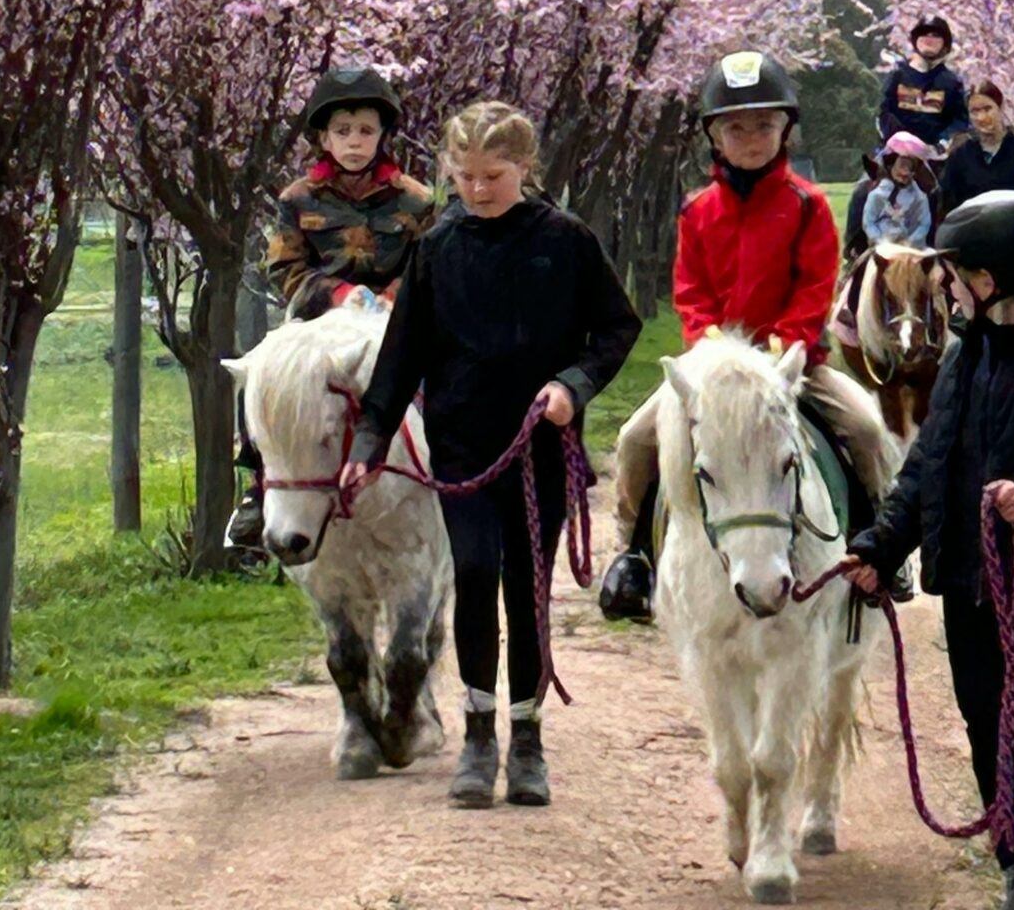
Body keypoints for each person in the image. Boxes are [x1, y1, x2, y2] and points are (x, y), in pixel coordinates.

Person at [338, 101, 640, 811]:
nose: (477, 190)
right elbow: (402, 352)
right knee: (473, 572)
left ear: (525, 170)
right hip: (464, 446)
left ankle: (527, 739)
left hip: (542, 446)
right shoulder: (439, 248)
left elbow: (616, 327)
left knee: (527, 587)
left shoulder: (566, 240)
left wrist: (574, 384)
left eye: (493, 176)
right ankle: (478, 735)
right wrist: (370, 440)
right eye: (464, 176)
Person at [839, 191, 1014, 910]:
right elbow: (927, 469)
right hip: (971, 578)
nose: (945, 287)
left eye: (955, 274)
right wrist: (880, 543)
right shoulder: (964, 361)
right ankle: (1013, 853)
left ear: (992, 280)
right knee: (981, 717)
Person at [598, 49, 898, 623]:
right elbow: (691, 293)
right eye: (736, 126)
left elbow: (814, 287)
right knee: (636, 439)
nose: (752, 137)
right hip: (715, 370)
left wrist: (780, 353)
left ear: (785, 128)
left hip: (793, 365)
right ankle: (633, 554)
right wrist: (715, 349)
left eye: (764, 124)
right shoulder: (696, 211)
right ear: (715, 136)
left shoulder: (807, 205)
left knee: (864, 426)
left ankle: (876, 545)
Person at [225, 65, 433, 551]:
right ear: (323, 137)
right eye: (343, 131)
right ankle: (257, 488)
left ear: (383, 136)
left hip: (392, 321)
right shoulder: (297, 199)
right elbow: (285, 267)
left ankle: (444, 484)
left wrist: (393, 296)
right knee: (257, 375)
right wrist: (338, 294)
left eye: (366, 130)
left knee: (438, 380)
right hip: (319, 323)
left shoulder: (415, 199)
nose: (355, 142)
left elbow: (430, 266)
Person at [938, 83, 1014, 218]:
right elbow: (948, 212)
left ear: (1001, 108)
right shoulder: (960, 158)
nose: (982, 117)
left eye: (987, 109)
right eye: (974, 111)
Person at [878, 15, 970, 148]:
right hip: (896, 150)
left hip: (935, 155)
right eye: (924, 33)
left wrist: (941, 143)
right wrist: (899, 139)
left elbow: (959, 120)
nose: (929, 39)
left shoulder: (952, 83)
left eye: (935, 35)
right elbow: (884, 111)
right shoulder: (897, 77)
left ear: (945, 44)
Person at [863, 132, 934, 249]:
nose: (904, 174)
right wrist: (879, 241)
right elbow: (869, 222)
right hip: (881, 245)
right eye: (901, 166)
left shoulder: (919, 197)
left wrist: (910, 242)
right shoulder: (877, 195)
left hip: (909, 248)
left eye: (909, 168)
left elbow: (924, 223)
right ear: (892, 166)